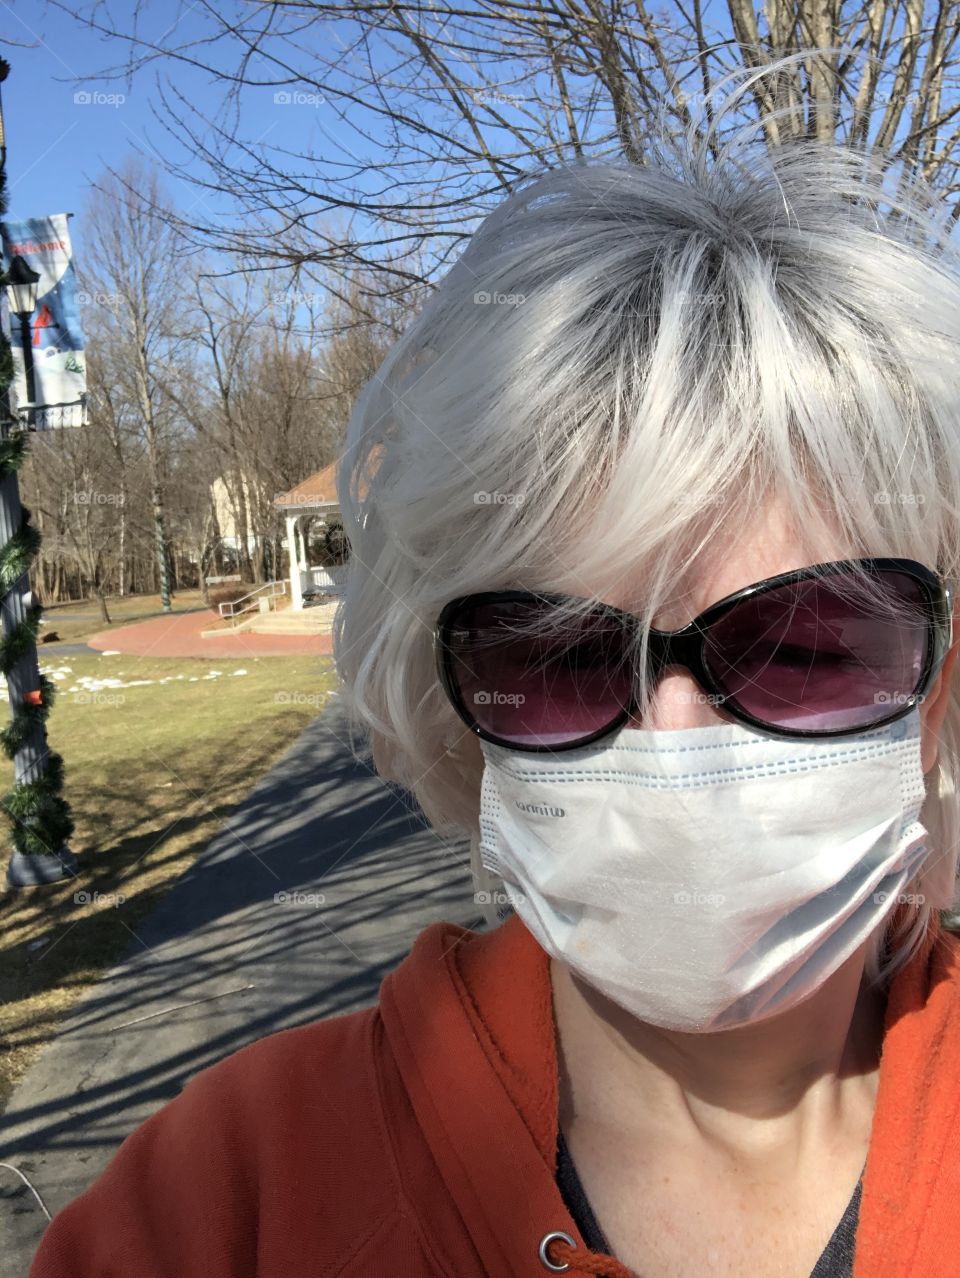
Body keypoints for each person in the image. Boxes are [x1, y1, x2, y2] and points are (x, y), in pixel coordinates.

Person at [28, 52, 960, 1278]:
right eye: (561, 655)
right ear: (452, 708)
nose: (675, 736)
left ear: (942, 690)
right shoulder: (226, 1204)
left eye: (805, 648)